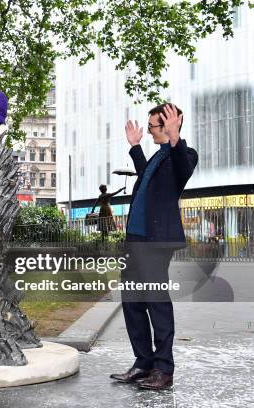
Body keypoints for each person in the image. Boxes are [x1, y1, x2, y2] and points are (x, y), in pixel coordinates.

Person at [110, 103, 198, 390]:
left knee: (156, 303)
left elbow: (183, 169)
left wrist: (175, 138)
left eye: (152, 127)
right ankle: (143, 362)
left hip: (156, 242)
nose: (148, 132)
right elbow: (145, 176)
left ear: (170, 126)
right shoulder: (157, 159)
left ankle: (163, 369)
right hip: (135, 241)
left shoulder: (182, 156)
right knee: (132, 303)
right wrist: (135, 147)